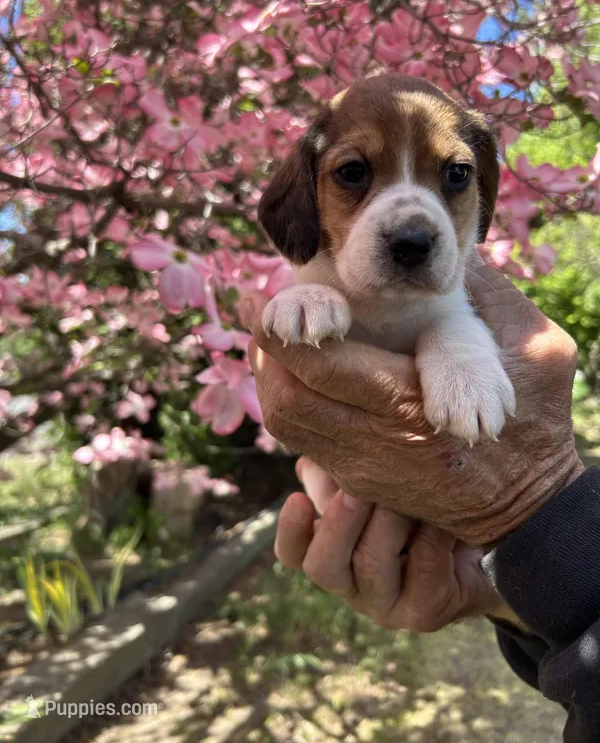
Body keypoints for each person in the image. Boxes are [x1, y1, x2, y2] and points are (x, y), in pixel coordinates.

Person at [239, 254, 600, 743]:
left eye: (454, 175)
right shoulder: (314, 273)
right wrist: (507, 596)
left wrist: (526, 511)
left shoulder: (445, 287)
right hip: (377, 508)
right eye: (353, 175)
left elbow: (450, 319)